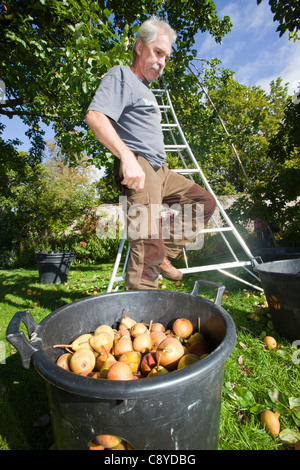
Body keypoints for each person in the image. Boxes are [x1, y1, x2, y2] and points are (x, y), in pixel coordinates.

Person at [85, 16, 216, 290]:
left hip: (162, 169)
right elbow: (96, 116)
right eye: (157, 52)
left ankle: (165, 256)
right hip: (141, 165)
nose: (162, 62)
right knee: (146, 239)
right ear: (139, 47)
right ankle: (139, 316)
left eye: (166, 57)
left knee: (202, 202)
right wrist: (127, 157)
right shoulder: (121, 75)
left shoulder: (146, 91)